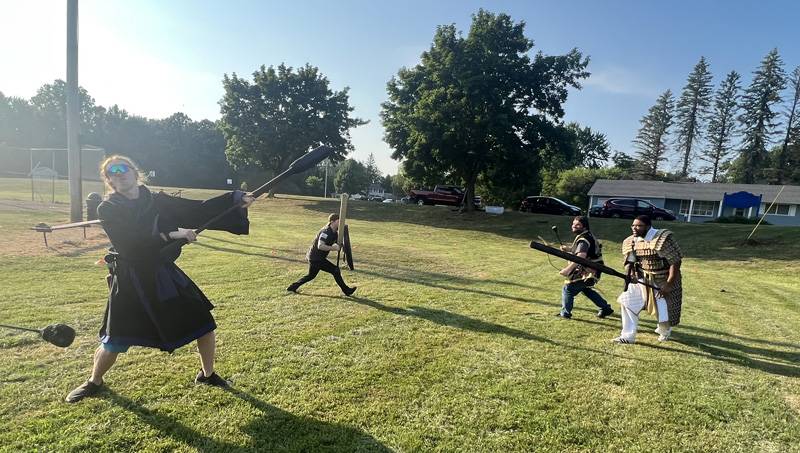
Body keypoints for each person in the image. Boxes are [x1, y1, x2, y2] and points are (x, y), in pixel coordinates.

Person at [66, 155, 254, 403]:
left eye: (123, 169)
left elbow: (196, 209)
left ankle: (207, 374)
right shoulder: (108, 208)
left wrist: (234, 199)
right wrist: (172, 235)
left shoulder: (156, 201)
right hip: (131, 280)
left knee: (204, 324)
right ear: (109, 180)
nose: (119, 173)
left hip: (163, 273)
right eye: (112, 172)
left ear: (135, 173)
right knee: (115, 340)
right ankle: (94, 381)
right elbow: (130, 244)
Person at [613, 215, 683, 344]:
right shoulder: (631, 241)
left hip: (662, 278)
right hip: (642, 277)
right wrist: (631, 273)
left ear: (648, 226)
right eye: (633, 225)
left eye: (639, 225)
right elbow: (630, 261)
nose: (634, 228)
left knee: (663, 312)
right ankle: (628, 336)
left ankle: (664, 331)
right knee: (627, 301)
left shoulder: (661, 239)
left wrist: (669, 284)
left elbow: (675, 262)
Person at [556, 216, 614, 319]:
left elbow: (581, 256)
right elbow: (585, 252)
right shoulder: (587, 235)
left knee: (568, 289)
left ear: (584, 226)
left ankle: (565, 313)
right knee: (586, 289)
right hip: (593, 268)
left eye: (577, 225)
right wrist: (569, 249)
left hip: (588, 270)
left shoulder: (584, 239)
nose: (574, 226)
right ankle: (605, 308)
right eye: (573, 224)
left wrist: (567, 270)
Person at [287, 213, 357, 296]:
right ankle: (347, 291)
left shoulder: (335, 233)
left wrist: (340, 246)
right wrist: (334, 248)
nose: (340, 223)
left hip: (317, 258)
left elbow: (336, 244)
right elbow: (320, 246)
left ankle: (292, 287)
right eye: (339, 221)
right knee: (335, 270)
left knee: (311, 276)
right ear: (332, 222)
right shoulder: (326, 232)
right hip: (316, 258)